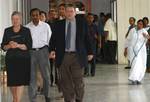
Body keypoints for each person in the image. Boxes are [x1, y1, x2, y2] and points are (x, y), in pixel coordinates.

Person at [49, 3, 93, 102]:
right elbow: (53, 39)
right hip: (63, 56)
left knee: (78, 80)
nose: (69, 13)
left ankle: (78, 99)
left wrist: (90, 52)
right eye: (67, 11)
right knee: (65, 80)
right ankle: (68, 99)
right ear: (64, 12)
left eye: (71, 11)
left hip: (77, 56)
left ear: (75, 12)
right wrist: (52, 50)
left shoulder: (82, 23)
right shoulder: (58, 24)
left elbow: (87, 38)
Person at [1, 11, 32, 102]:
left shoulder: (26, 31)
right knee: (12, 82)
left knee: (20, 81)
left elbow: (29, 46)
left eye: (17, 19)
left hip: (23, 60)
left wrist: (17, 45)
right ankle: (15, 99)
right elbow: (3, 46)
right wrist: (10, 46)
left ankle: (17, 100)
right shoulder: (7, 30)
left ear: (20, 19)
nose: (15, 21)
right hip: (11, 60)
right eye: (13, 19)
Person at [26, 8, 52, 102]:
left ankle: (47, 95)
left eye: (37, 15)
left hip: (43, 51)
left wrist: (50, 51)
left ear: (39, 15)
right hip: (31, 52)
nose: (35, 17)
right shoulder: (27, 27)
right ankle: (32, 98)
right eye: (33, 15)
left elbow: (50, 39)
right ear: (30, 16)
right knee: (32, 76)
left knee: (46, 75)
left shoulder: (46, 26)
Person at [124, 19, 149, 85]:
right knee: (135, 64)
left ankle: (138, 79)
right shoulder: (132, 30)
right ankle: (133, 78)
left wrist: (146, 36)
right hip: (132, 50)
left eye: (141, 24)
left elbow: (148, 38)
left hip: (141, 51)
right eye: (138, 24)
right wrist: (125, 49)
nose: (139, 25)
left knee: (141, 65)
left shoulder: (144, 31)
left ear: (143, 25)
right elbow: (127, 40)